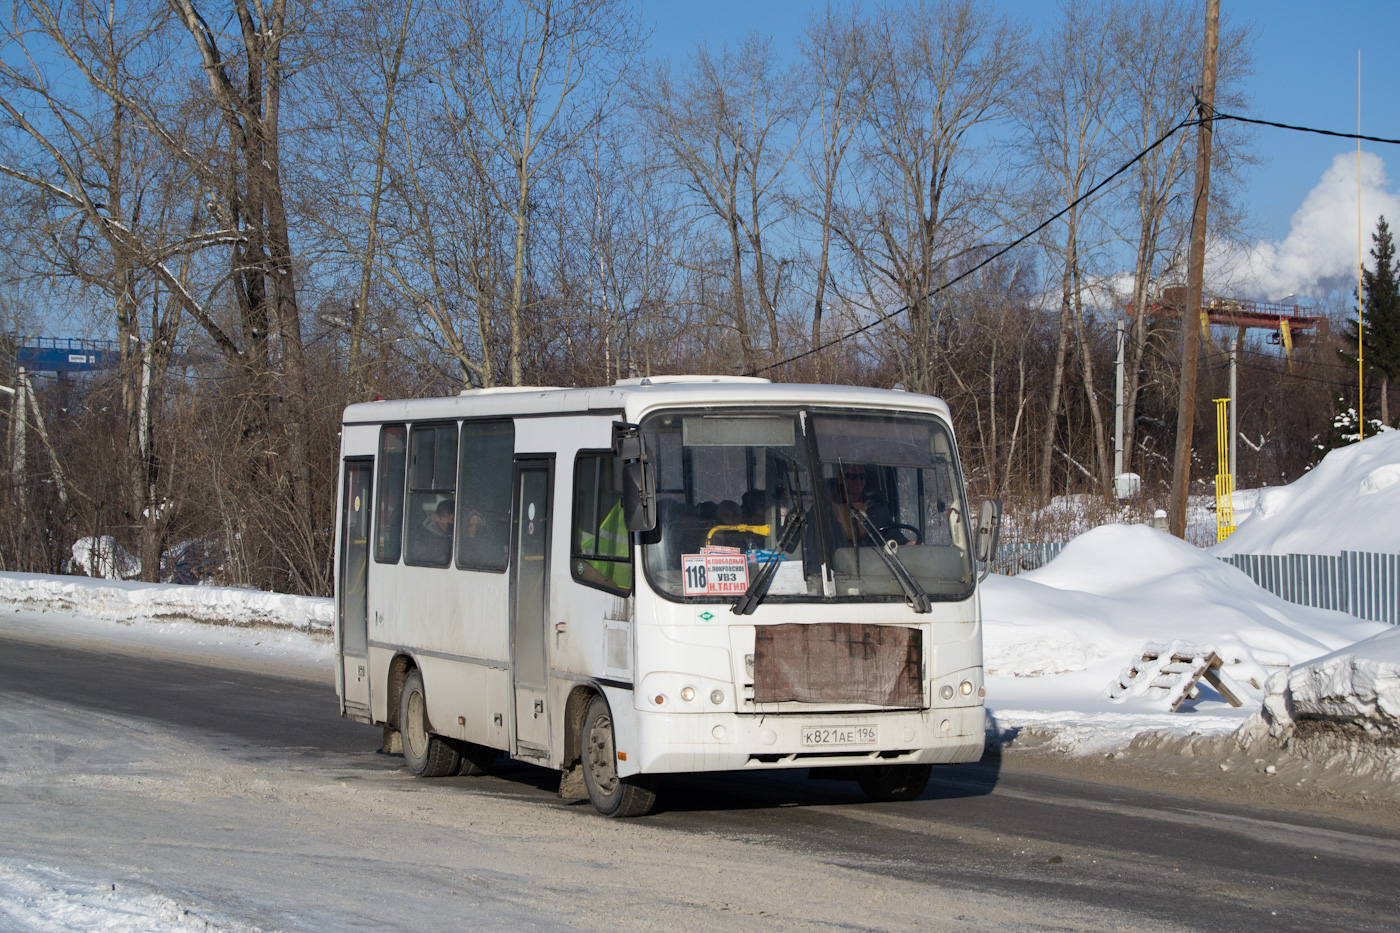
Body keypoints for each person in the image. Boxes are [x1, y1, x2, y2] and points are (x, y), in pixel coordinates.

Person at [829, 464, 903, 547]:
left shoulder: (877, 508)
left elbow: (893, 535)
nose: (858, 481)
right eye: (851, 476)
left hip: (875, 558)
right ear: (840, 479)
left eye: (862, 476)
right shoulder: (825, 510)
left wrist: (907, 544)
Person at [420, 498, 454, 565]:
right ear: (437, 518)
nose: (451, 521)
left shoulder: (460, 533)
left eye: (454, 518)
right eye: (447, 517)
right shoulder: (427, 538)